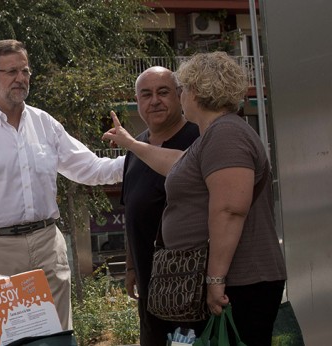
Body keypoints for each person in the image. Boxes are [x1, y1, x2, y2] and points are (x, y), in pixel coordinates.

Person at [103, 51, 287, 346]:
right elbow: (179, 165)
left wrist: (214, 280)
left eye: (182, 88)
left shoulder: (226, 134)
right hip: (228, 282)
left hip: (241, 282)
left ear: (198, 92)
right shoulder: (215, 134)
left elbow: (230, 210)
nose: (182, 95)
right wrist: (132, 144)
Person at [0, 39, 125, 331]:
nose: (20, 78)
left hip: (47, 247)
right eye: (11, 71)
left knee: (57, 335)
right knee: (6, 337)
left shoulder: (45, 124)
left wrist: (140, 157)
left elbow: (89, 168)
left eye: (25, 71)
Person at [120, 66, 201, 345]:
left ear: (179, 96)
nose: (154, 100)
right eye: (146, 94)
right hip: (149, 287)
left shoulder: (198, 140)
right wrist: (131, 268)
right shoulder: (135, 147)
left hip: (191, 287)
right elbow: (131, 210)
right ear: (138, 102)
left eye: (163, 92)